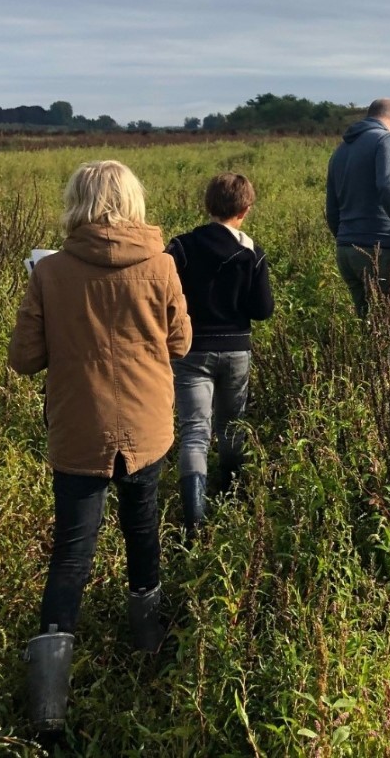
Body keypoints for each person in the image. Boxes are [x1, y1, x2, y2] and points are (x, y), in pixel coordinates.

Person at [9, 160, 190, 734]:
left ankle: (48, 708)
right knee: (143, 534)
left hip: (78, 430)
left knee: (70, 553)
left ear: (77, 203)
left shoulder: (51, 272)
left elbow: (23, 359)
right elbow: (181, 342)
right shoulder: (161, 265)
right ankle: (148, 652)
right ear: (133, 201)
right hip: (146, 426)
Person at [166, 173, 274, 541]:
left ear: (208, 205)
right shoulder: (251, 253)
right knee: (231, 426)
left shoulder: (180, 247)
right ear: (245, 210)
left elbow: (162, 291)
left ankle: (194, 521)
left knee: (195, 431)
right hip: (236, 350)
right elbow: (263, 310)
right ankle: (230, 495)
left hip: (191, 350)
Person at [325, 98, 390, 317]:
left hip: (346, 252)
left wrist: (348, 238)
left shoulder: (340, 151)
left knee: (369, 324)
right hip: (380, 250)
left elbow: (332, 208)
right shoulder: (388, 140)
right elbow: (389, 185)